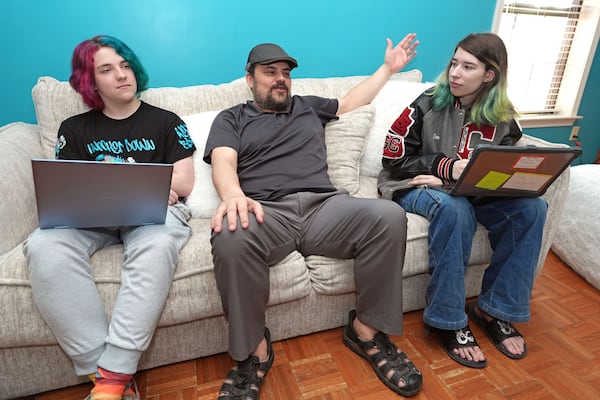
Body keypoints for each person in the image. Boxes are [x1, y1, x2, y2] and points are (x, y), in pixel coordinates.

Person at [204, 35, 423, 399]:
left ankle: (365, 329)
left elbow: (353, 100)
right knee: (229, 234)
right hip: (267, 211)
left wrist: (388, 68)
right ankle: (253, 353)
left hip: (325, 207)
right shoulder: (232, 118)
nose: (280, 79)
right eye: (270, 71)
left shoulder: (308, 107)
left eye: (285, 73)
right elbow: (224, 160)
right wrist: (233, 197)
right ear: (250, 78)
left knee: (388, 216)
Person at [23, 35, 196, 400]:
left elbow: (183, 181)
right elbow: (67, 187)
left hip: (152, 216)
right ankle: (102, 373)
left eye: (125, 65)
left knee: (159, 241)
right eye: (107, 69)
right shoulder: (73, 129)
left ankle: (112, 381)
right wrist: (139, 178)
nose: (121, 75)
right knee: (42, 245)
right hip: (91, 219)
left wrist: (141, 186)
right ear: (90, 82)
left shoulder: (166, 122)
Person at [378, 32, 547, 369]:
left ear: (489, 75)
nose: (455, 73)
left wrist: (514, 179)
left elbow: (500, 169)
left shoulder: (503, 119)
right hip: (416, 185)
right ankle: (447, 318)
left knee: (532, 208)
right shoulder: (426, 103)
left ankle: (493, 308)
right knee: (454, 210)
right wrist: (443, 167)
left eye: (467, 66)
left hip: (472, 190)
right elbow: (391, 158)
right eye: (454, 63)